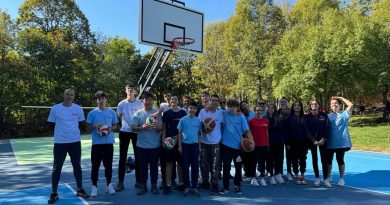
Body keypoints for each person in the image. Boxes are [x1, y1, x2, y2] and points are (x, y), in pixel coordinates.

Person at [47, 88, 89, 204]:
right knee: (57, 168)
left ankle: (80, 189)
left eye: (71, 94)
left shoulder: (78, 109)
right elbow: (51, 124)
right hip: (60, 143)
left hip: (75, 142)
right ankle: (54, 193)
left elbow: (80, 123)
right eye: (67, 94)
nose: (69, 96)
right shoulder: (55, 109)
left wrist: (72, 134)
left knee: (77, 166)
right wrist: (60, 135)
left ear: (73, 96)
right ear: (63, 95)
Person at [86, 91, 119, 197]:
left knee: (108, 165)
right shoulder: (92, 113)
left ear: (106, 100)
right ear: (96, 100)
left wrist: (110, 128)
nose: (101, 100)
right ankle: (94, 187)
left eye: (103, 98)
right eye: (99, 98)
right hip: (96, 144)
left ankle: (109, 185)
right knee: (95, 165)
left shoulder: (112, 112)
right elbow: (87, 129)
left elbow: (116, 126)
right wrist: (94, 126)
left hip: (109, 143)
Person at [219, 99, 255, 195]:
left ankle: (237, 186)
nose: (231, 109)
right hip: (226, 146)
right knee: (226, 168)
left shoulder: (241, 117)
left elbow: (247, 131)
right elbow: (213, 110)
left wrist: (252, 142)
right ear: (227, 107)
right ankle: (225, 187)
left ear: (237, 107)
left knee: (238, 168)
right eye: (229, 106)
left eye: (234, 107)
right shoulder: (223, 113)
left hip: (238, 147)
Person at [131, 92, 163, 195]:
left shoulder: (157, 113)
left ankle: (154, 185)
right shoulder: (138, 113)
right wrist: (142, 128)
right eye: (146, 100)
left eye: (150, 100)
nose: (148, 102)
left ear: (152, 101)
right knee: (142, 167)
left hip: (155, 146)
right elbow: (133, 128)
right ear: (142, 101)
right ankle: (143, 185)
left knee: (154, 167)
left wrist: (156, 125)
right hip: (141, 146)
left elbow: (161, 128)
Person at [115, 83, 144, 191]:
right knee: (122, 157)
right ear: (125, 90)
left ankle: (138, 181)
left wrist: (137, 127)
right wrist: (129, 126)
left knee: (138, 157)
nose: (130, 90)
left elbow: (142, 116)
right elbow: (120, 116)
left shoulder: (140, 103)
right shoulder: (121, 104)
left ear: (135, 91)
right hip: (124, 132)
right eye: (128, 88)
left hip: (137, 133)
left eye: (132, 88)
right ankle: (120, 182)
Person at [197, 94, 224, 195]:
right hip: (204, 142)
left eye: (216, 100)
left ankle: (215, 184)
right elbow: (198, 126)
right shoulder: (203, 112)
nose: (214, 102)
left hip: (215, 143)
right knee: (204, 164)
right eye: (212, 100)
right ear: (209, 101)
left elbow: (231, 114)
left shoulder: (221, 113)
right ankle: (205, 182)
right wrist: (204, 129)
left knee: (215, 165)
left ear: (218, 102)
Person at [162, 94, 187, 194]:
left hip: (180, 142)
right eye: (172, 99)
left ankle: (181, 183)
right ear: (170, 101)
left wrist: (178, 139)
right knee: (169, 163)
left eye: (175, 99)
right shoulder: (167, 113)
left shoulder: (183, 112)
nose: (173, 100)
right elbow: (164, 128)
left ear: (178, 101)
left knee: (180, 163)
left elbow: (185, 128)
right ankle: (167, 185)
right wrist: (163, 140)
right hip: (169, 142)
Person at [326, 96, 353, 186]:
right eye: (332, 103)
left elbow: (351, 104)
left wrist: (340, 97)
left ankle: (341, 178)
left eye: (336, 103)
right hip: (330, 143)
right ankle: (328, 177)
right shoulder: (328, 116)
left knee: (340, 160)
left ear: (340, 105)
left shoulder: (344, 115)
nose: (334, 105)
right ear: (330, 106)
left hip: (341, 144)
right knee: (328, 161)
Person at [177, 101, 202, 197]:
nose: (192, 110)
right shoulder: (182, 120)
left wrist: (199, 146)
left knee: (195, 167)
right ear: (187, 109)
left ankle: (194, 186)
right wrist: (179, 145)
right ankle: (186, 186)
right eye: (190, 108)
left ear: (196, 110)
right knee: (185, 167)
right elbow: (179, 133)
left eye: (194, 108)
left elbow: (199, 134)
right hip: (185, 146)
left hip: (195, 146)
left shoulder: (198, 121)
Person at [305, 99, 330, 187]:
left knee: (324, 160)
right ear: (310, 106)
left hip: (323, 142)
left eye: (316, 104)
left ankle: (326, 179)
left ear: (318, 105)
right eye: (312, 104)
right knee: (314, 159)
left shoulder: (324, 116)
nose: (314, 105)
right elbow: (307, 130)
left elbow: (327, 128)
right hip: (313, 142)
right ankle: (317, 178)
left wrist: (323, 139)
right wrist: (313, 140)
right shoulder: (307, 117)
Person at [285, 100, 309, 185]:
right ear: (293, 107)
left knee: (303, 159)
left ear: (301, 107)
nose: (297, 107)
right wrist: (287, 143)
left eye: (299, 105)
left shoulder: (305, 117)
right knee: (294, 159)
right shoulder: (289, 118)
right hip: (293, 142)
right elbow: (287, 131)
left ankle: (302, 175)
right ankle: (296, 175)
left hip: (303, 142)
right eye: (295, 105)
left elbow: (307, 130)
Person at [248, 104, 269, 187]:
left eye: (260, 110)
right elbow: (249, 133)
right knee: (253, 161)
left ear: (262, 111)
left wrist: (268, 143)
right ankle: (253, 178)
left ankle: (262, 178)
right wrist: (251, 143)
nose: (259, 112)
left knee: (262, 162)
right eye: (257, 110)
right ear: (255, 112)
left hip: (264, 144)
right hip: (255, 145)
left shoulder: (265, 121)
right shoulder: (251, 121)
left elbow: (267, 133)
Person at [266, 104, 285, 184]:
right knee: (270, 159)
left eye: (272, 108)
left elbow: (282, 129)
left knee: (279, 159)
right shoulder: (265, 118)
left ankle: (278, 174)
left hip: (279, 142)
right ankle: (271, 176)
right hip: (269, 142)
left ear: (274, 109)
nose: (270, 109)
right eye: (269, 108)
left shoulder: (279, 118)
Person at [240, 101, 256, 181]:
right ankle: (246, 172)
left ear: (248, 105)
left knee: (252, 155)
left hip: (252, 136)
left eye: (245, 104)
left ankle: (252, 173)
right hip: (243, 136)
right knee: (244, 156)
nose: (243, 106)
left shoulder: (253, 113)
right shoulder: (240, 114)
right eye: (242, 105)